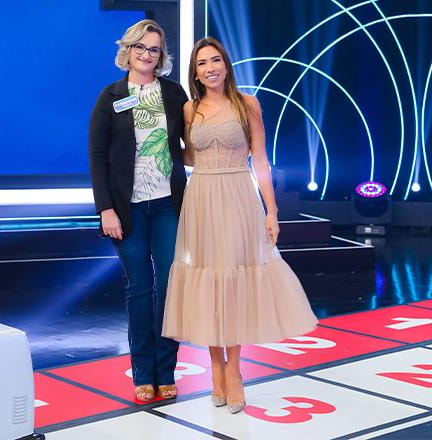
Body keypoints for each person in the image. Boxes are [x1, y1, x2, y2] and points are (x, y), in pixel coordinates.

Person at [162, 37, 318, 413]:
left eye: (216, 60)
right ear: (194, 72)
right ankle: (215, 365)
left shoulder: (247, 104)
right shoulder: (189, 109)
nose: (210, 67)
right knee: (208, 277)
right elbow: (188, 155)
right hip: (201, 198)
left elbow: (261, 160)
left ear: (226, 65)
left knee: (232, 280)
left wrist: (272, 210)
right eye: (202, 63)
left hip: (237, 195)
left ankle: (235, 368)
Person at [88, 19, 189, 402]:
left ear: (161, 56)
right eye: (141, 48)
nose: (147, 55)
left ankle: (166, 371)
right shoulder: (111, 96)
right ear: (127, 50)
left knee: (168, 287)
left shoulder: (173, 93)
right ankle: (143, 374)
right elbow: (97, 157)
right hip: (127, 211)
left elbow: (193, 138)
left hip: (168, 206)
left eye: (155, 49)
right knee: (140, 288)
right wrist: (105, 210)